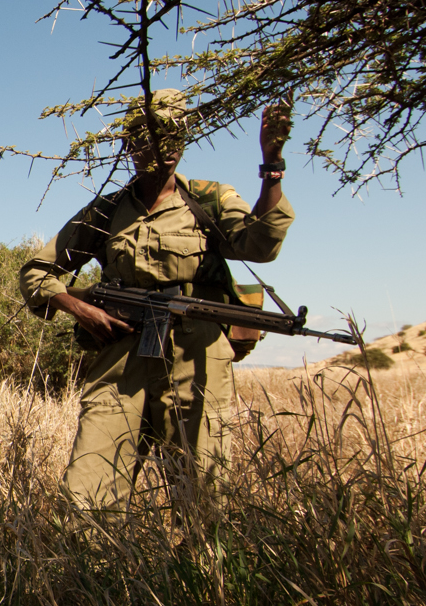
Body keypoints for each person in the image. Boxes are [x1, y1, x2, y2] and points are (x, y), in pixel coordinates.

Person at [18, 90, 295, 509]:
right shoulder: (108, 211)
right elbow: (38, 272)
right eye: (152, 135)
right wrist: (79, 307)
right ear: (130, 143)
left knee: (203, 495)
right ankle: (95, 573)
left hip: (195, 357)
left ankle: (202, 573)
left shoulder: (209, 199)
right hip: (120, 359)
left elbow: (259, 246)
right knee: (88, 496)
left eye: (174, 135)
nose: (165, 146)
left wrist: (271, 167)